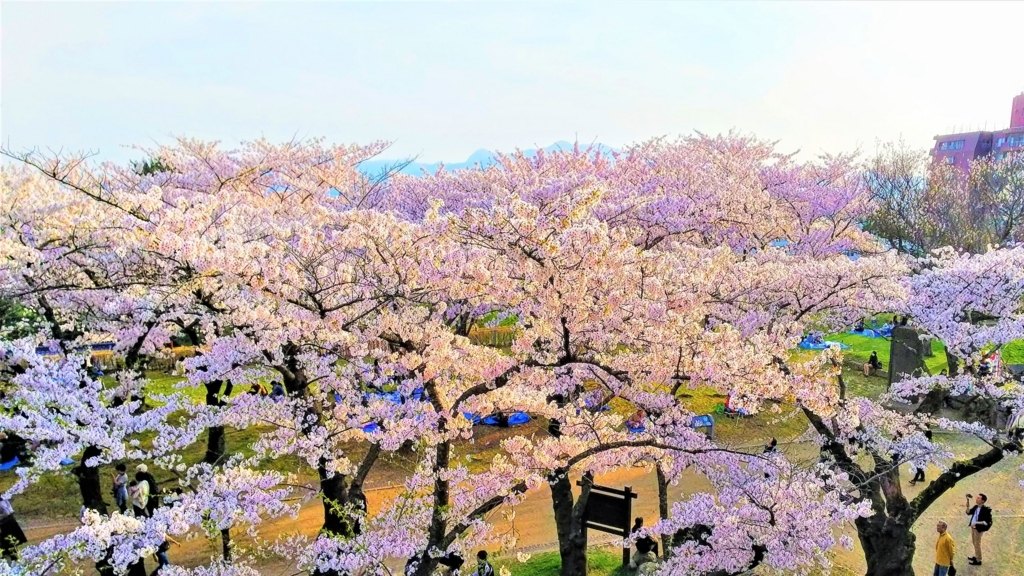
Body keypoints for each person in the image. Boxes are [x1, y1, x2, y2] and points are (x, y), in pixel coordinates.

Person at [966, 493, 992, 566]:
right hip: (973, 528)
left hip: (978, 529)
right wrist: (967, 504)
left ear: (983, 501)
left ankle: (978, 560)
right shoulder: (975, 507)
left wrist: (976, 523)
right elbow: (968, 512)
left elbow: (987, 522)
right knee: (974, 543)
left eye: (979, 498)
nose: (976, 499)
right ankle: (977, 556)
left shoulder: (986, 510)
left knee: (977, 544)